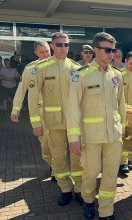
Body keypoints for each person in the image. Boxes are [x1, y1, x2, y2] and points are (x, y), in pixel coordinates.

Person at [67, 32, 125, 220]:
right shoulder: (81, 75)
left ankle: (106, 210)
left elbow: (121, 106)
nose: (111, 54)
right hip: (90, 136)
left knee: (110, 173)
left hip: (113, 136)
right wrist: (73, 138)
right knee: (91, 173)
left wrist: (122, 131)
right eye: (107, 50)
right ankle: (88, 201)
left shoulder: (117, 75)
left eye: (113, 50)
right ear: (96, 50)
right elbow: (72, 108)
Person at [28, 32, 82, 206]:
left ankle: (80, 189)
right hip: (53, 123)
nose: (63, 48)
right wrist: (36, 123)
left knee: (78, 157)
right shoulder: (42, 68)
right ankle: (65, 189)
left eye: (66, 45)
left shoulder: (76, 67)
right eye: (59, 45)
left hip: (74, 123)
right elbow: (33, 97)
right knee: (58, 158)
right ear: (52, 46)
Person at [10, 41, 54, 181]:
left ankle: (59, 171)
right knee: (46, 147)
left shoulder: (58, 66)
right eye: (42, 52)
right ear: (36, 53)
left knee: (60, 144)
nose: (45, 54)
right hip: (40, 112)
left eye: (47, 51)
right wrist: (15, 109)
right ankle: (53, 165)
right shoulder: (31, 69)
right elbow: (21, 89)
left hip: (59, 113)